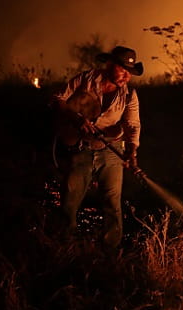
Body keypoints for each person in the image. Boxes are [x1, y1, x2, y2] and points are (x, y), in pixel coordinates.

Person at [51, 46, 143, 251]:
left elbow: (132, 125)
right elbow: (58, 99)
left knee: (112, 203)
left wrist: (131, 151)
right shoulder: (85, 80)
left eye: (130, 72)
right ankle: (64, 247)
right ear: (110, 65)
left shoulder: (129, 95)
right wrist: (76, 118)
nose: (126, 76)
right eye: (122, 69)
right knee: (70, 200)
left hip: (111, 151)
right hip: (81, 148)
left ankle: (110, 251)